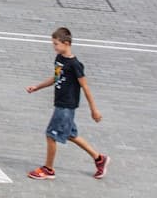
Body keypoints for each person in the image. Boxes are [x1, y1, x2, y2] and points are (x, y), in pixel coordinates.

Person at [26, 27, 107, 180]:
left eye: (56, 44)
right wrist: (37, 87)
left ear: (66, 43)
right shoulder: (59, 59)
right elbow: (56, 78)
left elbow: (85, 87)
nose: (54, 47)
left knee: (51, 135)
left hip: (66, 106)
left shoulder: (75, 64)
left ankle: (48, 169)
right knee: (70, 134)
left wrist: (94, 110)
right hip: (60, 103)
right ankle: (99, 159)